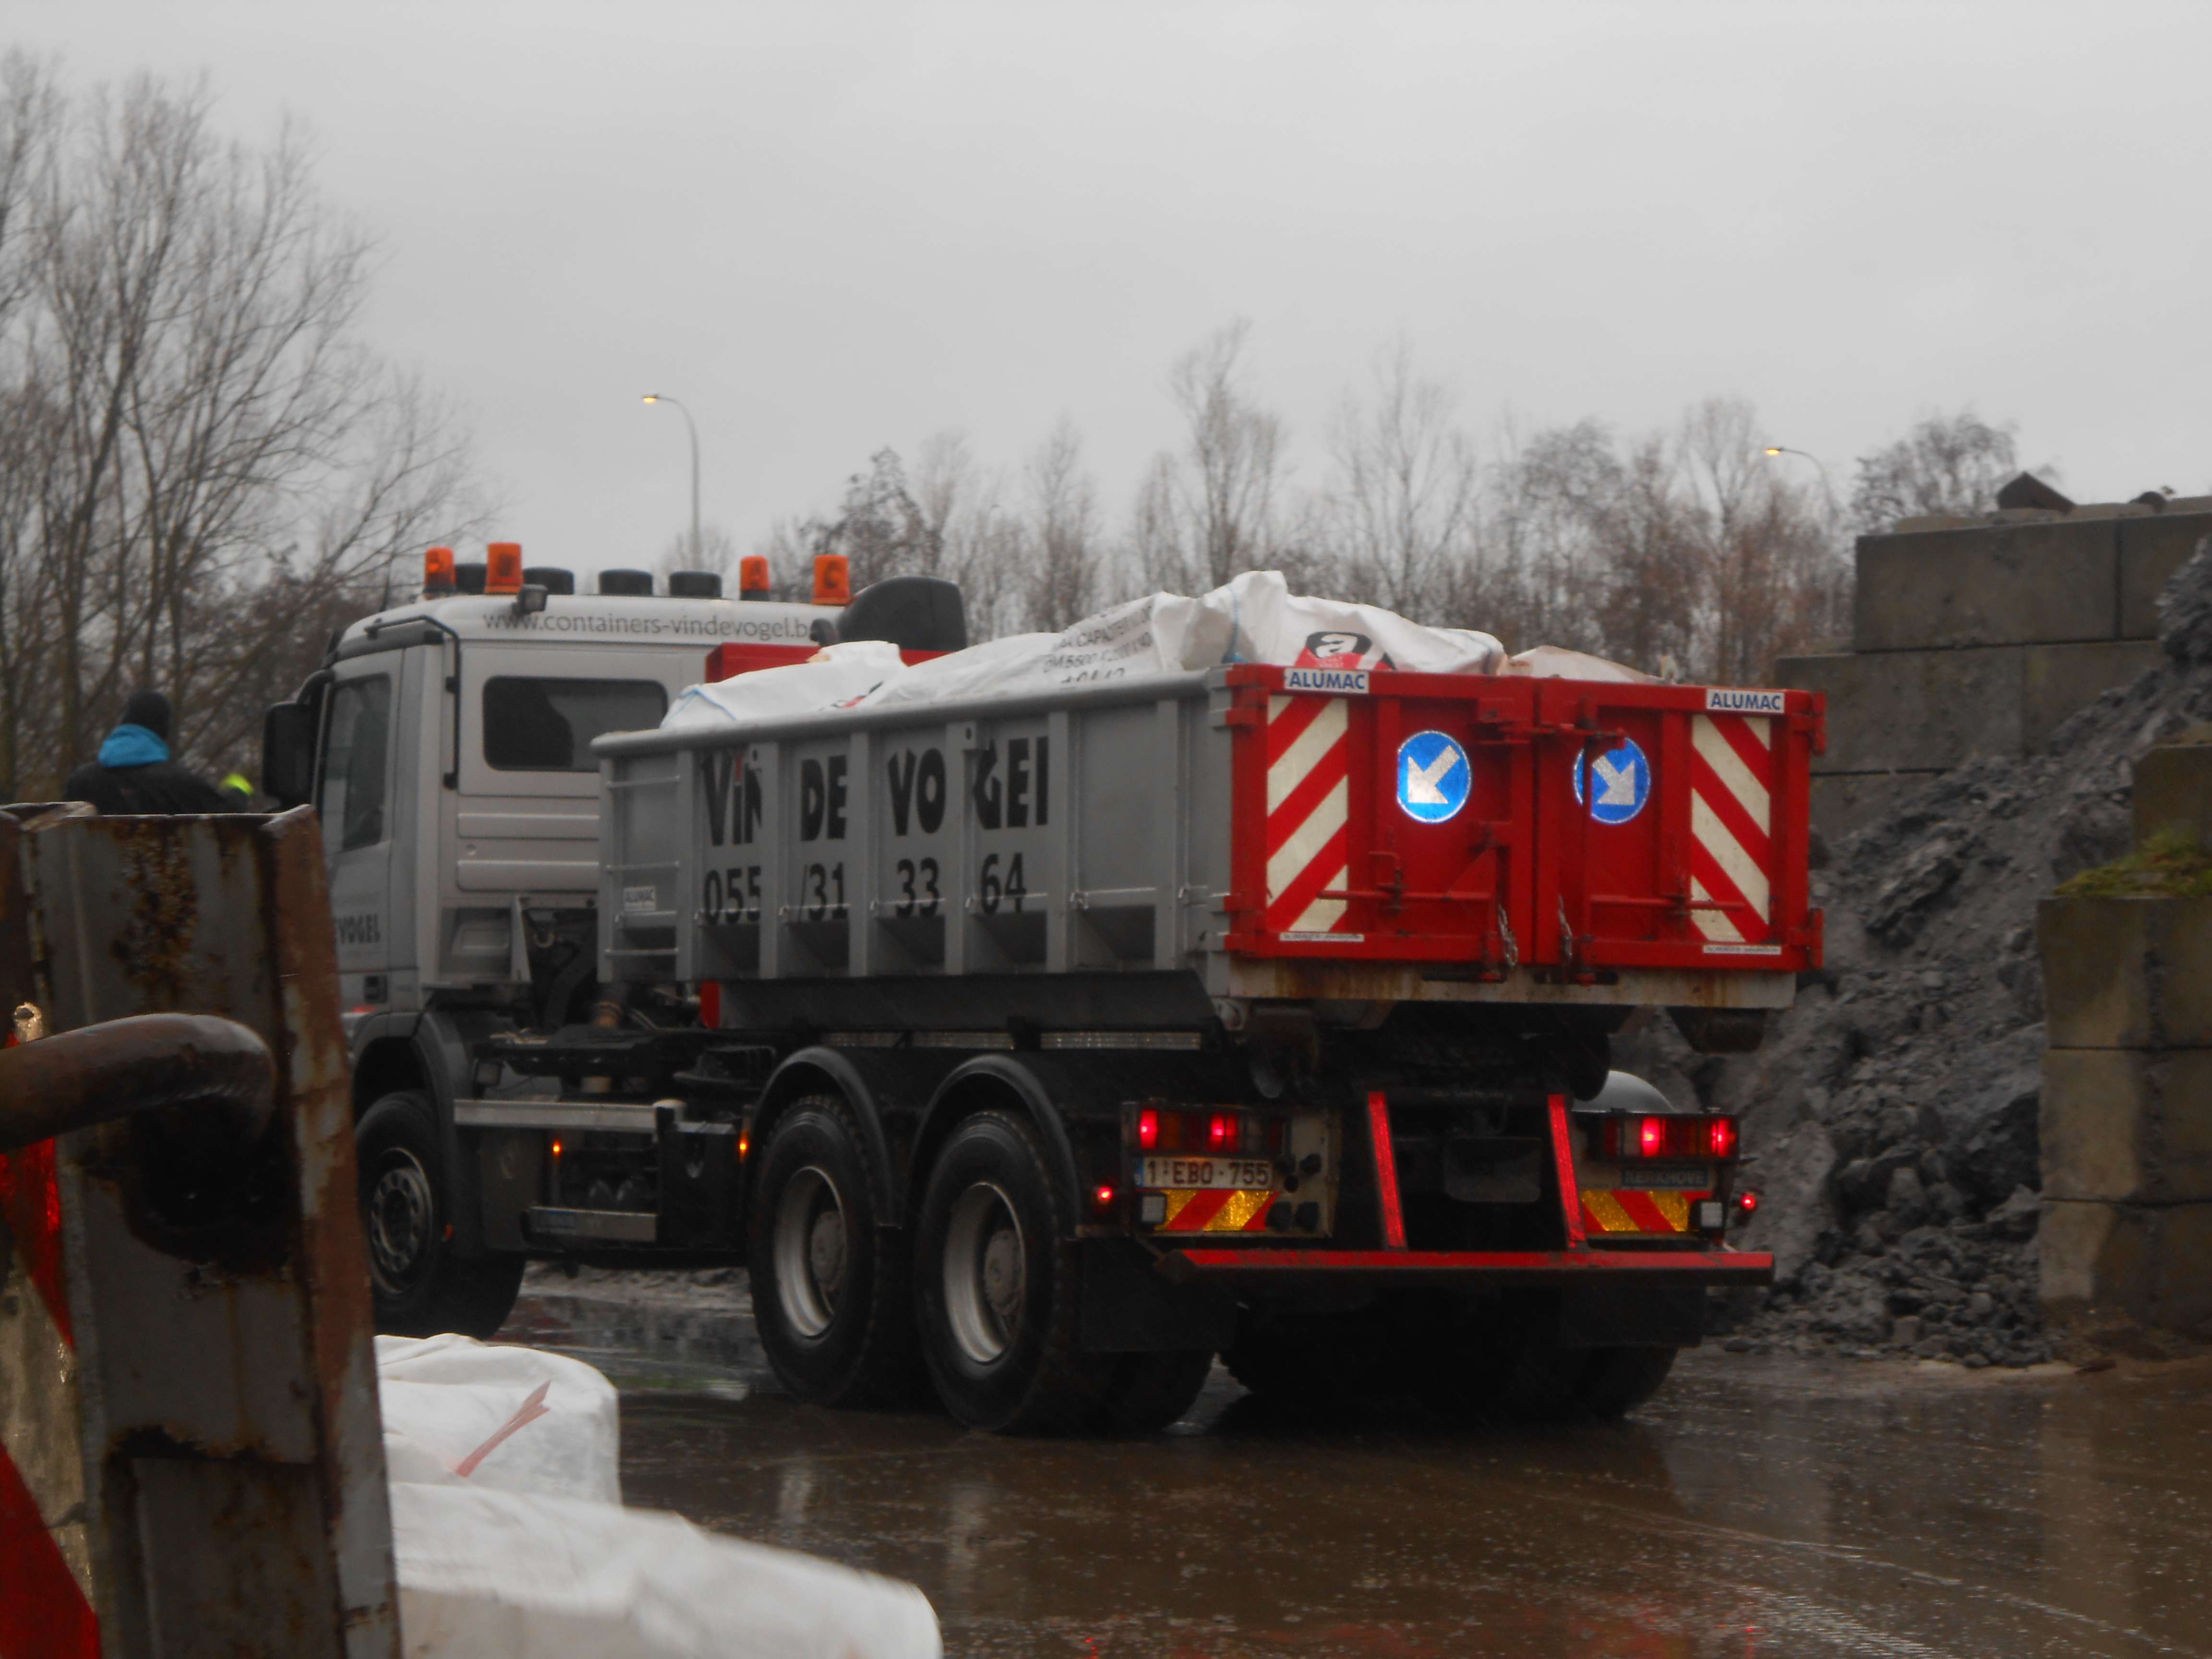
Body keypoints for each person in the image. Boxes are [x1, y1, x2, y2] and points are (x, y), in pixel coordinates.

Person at [62, 690, 236, 814]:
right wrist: (238, 791)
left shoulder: (81, 781)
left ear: (126, 722)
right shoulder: (180, 783)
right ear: (163, 730)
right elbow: (229, 819)